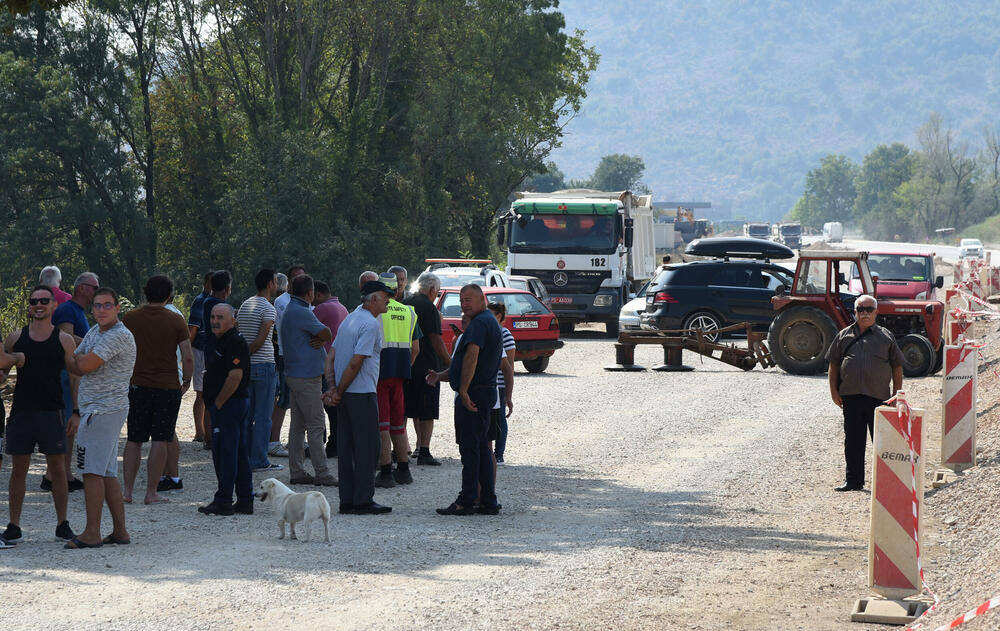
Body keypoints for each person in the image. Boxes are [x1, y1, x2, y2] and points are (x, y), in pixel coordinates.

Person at [2, 285, 79, 544]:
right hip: (21, 412)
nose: (38, 305)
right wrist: (7, 368)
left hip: (52, 412)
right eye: (34, 301)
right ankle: (14, 526)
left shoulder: (64, 339)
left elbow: (74, 376)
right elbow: (3, 372)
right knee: (18, 470)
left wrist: (76, 411)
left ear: (54, 305)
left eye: (44, 300)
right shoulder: (15, 338)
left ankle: (62, 525)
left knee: (58, 469)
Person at [64, 287, 136, 549]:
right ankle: (120, 531)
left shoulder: (117, 335)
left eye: (107, 305)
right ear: (91, 308)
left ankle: (92, 532)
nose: (102, 310)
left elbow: (81, 365)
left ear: (117, 308)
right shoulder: (96, 331)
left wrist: (71, 356)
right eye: (97, 305)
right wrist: (79, 360)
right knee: (106, 473)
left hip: (102, 411)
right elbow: (79, 360)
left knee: (91, 471)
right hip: (100, 410)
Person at [323, 277, 396, 515]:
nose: (388, 302)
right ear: (373, 300)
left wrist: (333, 389)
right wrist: (338, 391)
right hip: (361, 392)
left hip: (345, 394)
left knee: (346, 448)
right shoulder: (371, 324)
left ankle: (347, 499)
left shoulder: (349, 319)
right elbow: (356, 362)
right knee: (368, 447)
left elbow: (330, 357)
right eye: (385, 298)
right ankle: (363, 500)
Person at [429, 285, 503, 516]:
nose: (464, 304)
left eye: (469, 299)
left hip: (475, 393)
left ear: (482, 300)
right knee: (480, 447)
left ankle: (467, 500)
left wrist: (463, 390)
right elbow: (462, 364)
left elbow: (472, 357)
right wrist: (441, 376)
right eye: (462, 300)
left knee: (471, 449)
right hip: (483, 391)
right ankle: (488, 500)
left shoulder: (480, 323)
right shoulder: (486, 321)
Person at [121, 275, 194, 505]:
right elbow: (187, 356)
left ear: (146, 293)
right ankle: (151, 492)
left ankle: (127, 491)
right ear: (169, 295)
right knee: (160, 439)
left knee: (134, 439)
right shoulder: (176, 320)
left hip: (138, 384)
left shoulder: (130, 318)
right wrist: (187, 380)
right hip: (167, 386)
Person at [827, 294, 904, 492]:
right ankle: (853, 481)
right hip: (851, 397)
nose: (865, 313)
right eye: (861, 309)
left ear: (876, 312)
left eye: (869, 309)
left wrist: (896, 395)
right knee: (853, 441)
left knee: (882, 442)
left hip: (879, 399)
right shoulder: (843, 335)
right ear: (855, 312)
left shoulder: (886, 337)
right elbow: (834, 365)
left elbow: (897, 367)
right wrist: (833, 391)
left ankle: (886, 483)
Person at [46, 271, 99, 493]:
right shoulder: (68, 309)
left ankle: (64, 474)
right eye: (94, 287)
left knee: (70, 426)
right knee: (65, 424)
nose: (97, 292)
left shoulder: (77, 311)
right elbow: (66, 339)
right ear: (82, 288)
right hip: (64, 375)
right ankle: (53, 476)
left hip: (73, 376)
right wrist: (97, 344)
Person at [198, 303, 254, 516]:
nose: (215, 321)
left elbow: (235, 375)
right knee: (238, 453)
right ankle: (245, 500)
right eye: (213, 317)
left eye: (220, 317)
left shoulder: (234, 341)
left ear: (233, 320)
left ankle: (223, 500)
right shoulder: (221, 340)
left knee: (225, 453)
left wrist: (219, 403)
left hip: (230, 405)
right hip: (232, 404)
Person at [280, 274, 335, 486]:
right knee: (316, 425)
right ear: (310, 293)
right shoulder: (302, 311)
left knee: (298, 425)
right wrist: (320, 337)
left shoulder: (291, 309)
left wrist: (317, 337)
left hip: (296, 374)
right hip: (306, 377)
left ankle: (297, 471)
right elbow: (327, 333)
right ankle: (322, 472)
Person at [375, 272, 421, 488]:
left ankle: (386, 472)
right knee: (398, 425)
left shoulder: (377, 311)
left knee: (382, 425)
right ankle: (404, 470)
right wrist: (404, 367)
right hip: (400, 376)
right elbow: (416, 349)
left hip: (380, 375)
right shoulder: (409, 312)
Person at [237, 268, 282, 473]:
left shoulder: (245, 304)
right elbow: (261, 340)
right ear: (270, 284)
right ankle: (260, 460)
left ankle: (246, 457)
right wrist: (248, 354)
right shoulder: (268, 308)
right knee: (264, 416)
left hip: (247, 368)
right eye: (275, 281)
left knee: (247, 415)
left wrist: (242, 359)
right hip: (264, 365)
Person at [404, 272, 450, 466]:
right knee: (427, 411)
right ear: (432, 290)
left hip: (407, 364)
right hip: (426, 366)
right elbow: (435, 338)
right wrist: (449, 362)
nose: (436, 296)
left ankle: (405, 449)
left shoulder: (406, 303)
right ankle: (424, 450)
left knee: (408, 408)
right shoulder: (428, 307)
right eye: (437, 293)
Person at [270, 265, 306, 458]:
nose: (301, 281)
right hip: (286, 356)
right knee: (284, 399)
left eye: (303, 278)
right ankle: (273, 441)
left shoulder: (305, 300)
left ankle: (299, 441)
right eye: (297, 278)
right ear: (290, 281)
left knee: (301, 400)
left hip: (302, 357)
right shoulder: (281, 301)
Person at [312, 281, 349, 458]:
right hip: (339, 362)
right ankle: (337, 442)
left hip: (323, 362)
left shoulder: (322, 308)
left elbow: (308, 330)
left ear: (318, 294)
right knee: (334, 406)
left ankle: (325, 443)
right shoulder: (342, 308)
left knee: (323, 405)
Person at [487, 302, 515, 465]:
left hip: (500, 384)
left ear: (499, 316)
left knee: (500, 418)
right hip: (488, 382)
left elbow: (509, 366)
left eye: (490, 314)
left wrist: (508, 394)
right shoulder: (486, 331)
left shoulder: (505, 334)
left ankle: (499, 453)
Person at [187, 272, 213, 443]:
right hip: (199, 350)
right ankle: (199, 432)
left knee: (207, 392)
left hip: (208, 350)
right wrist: (187, 353)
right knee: (201, 393)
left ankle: (206, 431)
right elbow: (192, 329)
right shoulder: (200, 301)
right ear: (205, 283)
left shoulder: (212, 301)